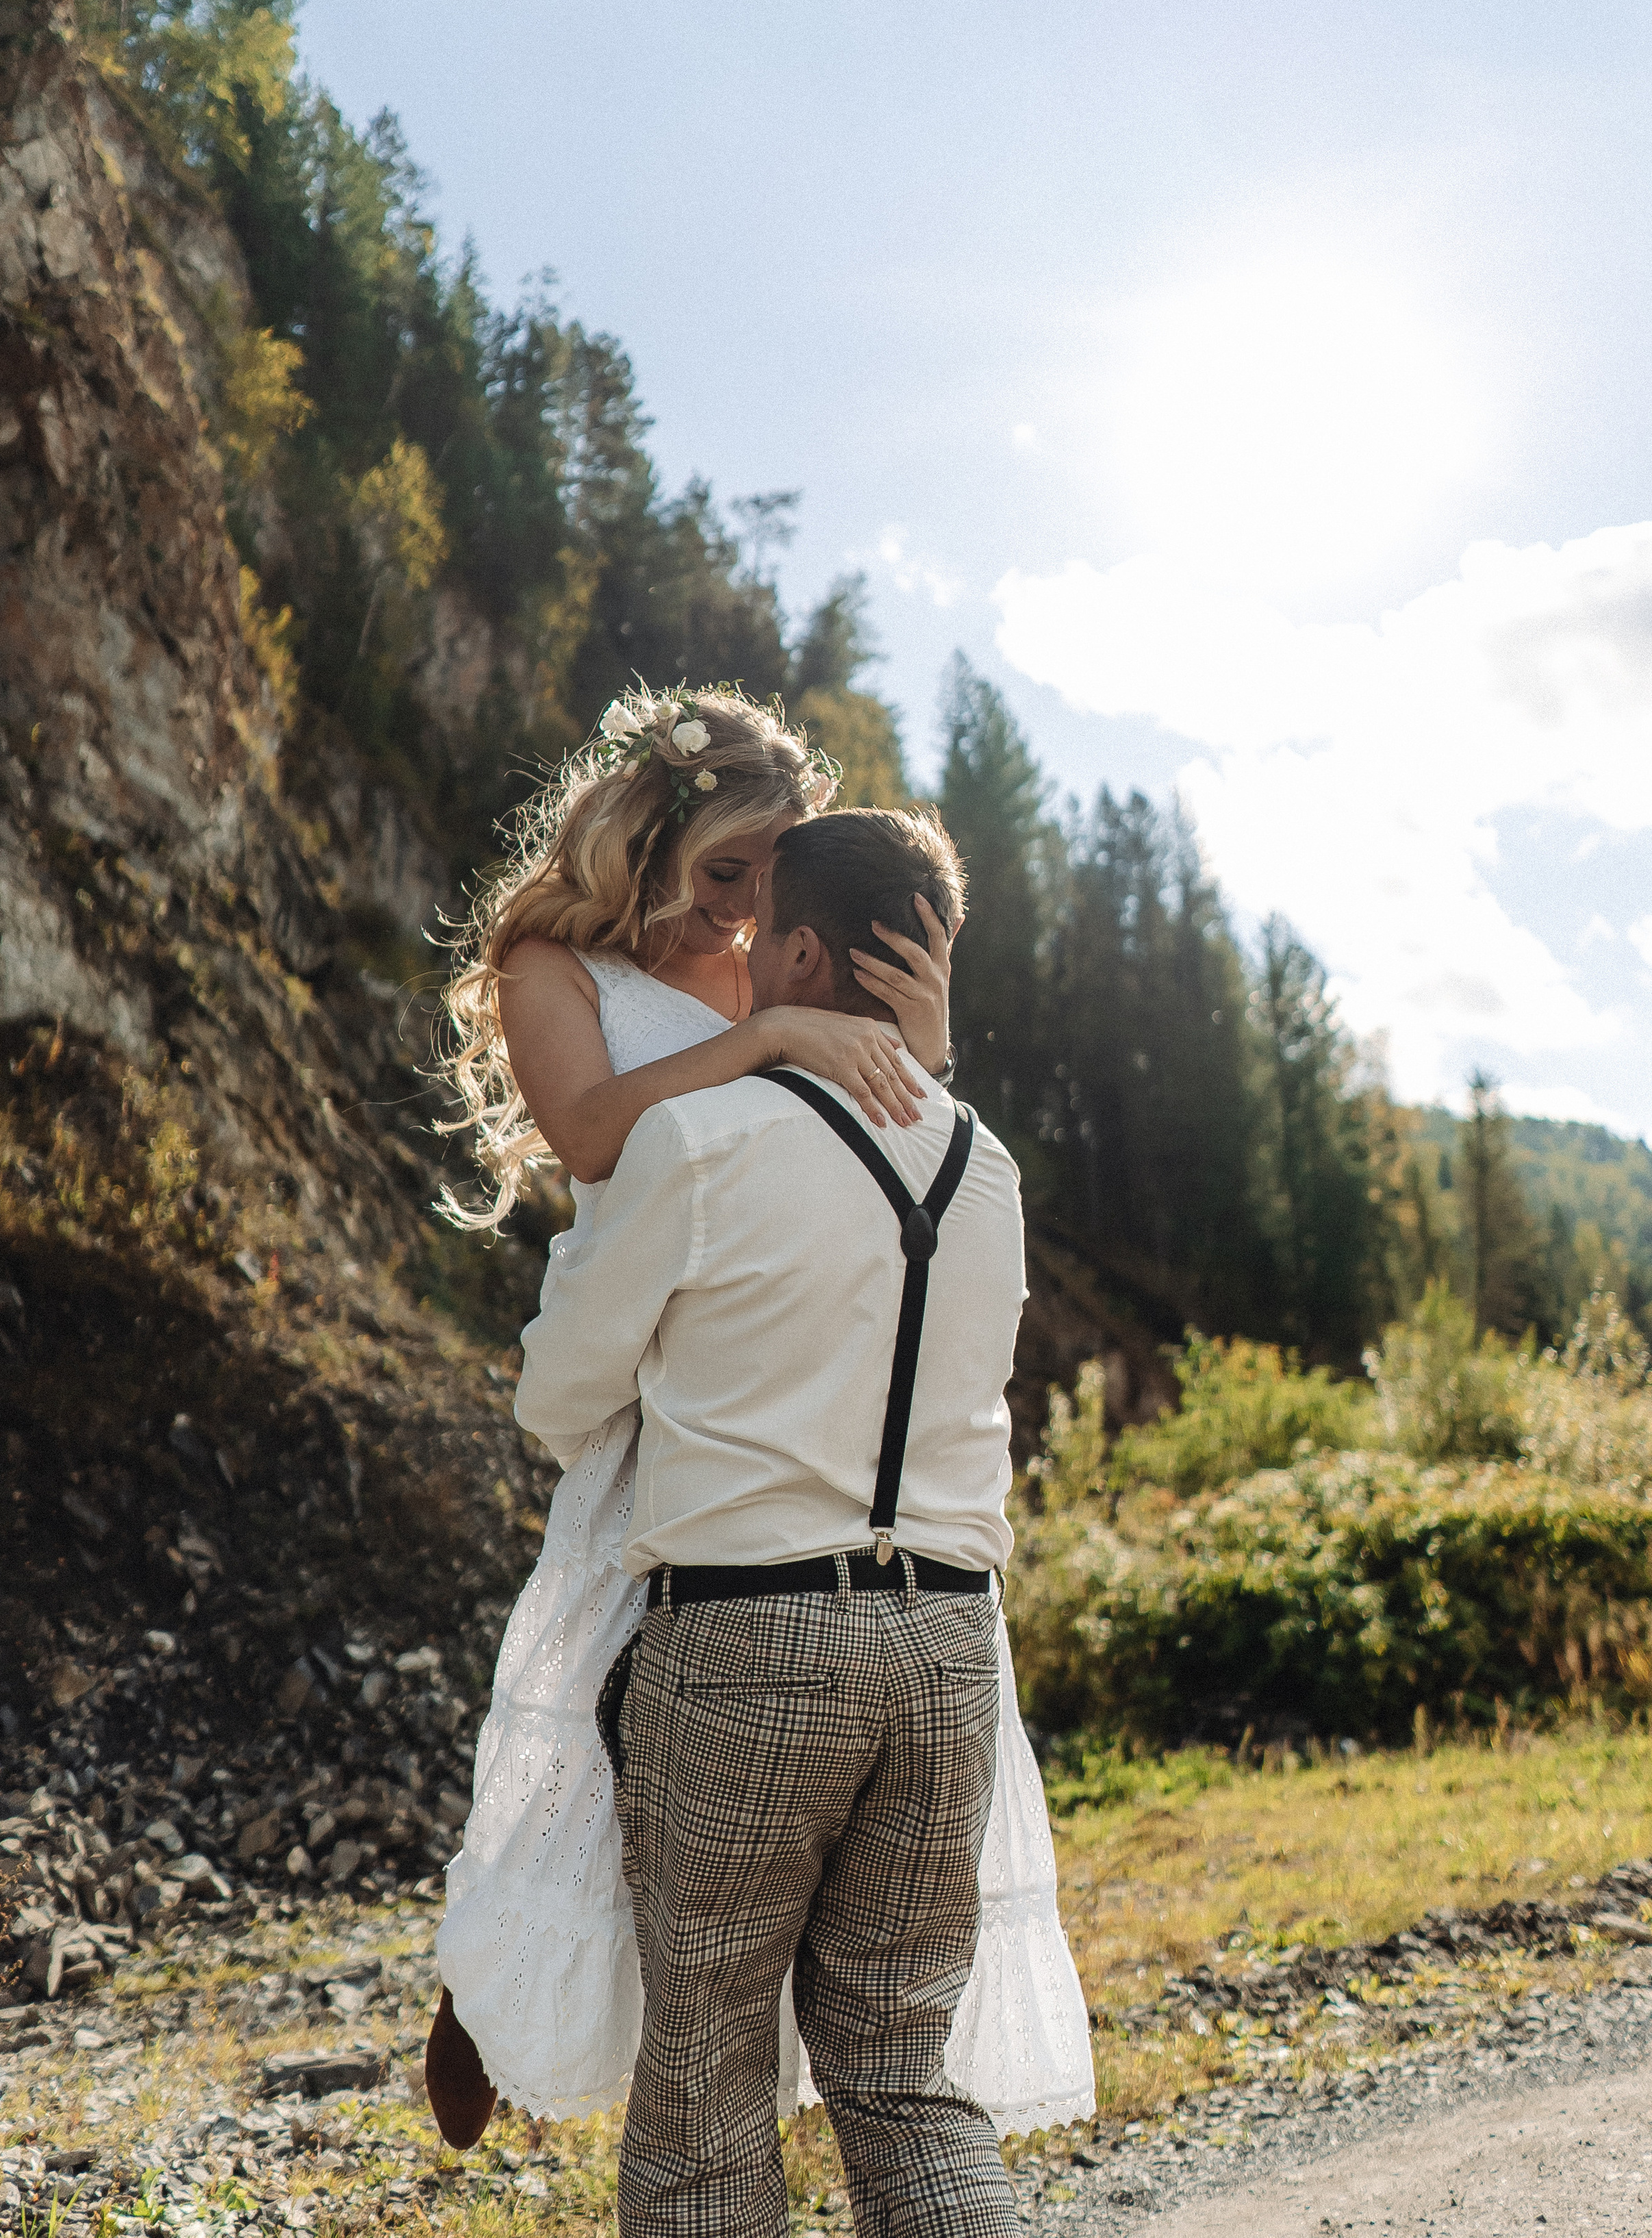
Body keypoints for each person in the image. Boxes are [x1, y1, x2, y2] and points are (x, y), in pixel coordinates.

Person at [429, 690, 1092, 2156]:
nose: (742, 909)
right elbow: (599, 1134)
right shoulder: (557, 960)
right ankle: (491, 1982)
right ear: (653, 833)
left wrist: (910, 1060)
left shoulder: (764, 974)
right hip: (647, 1347)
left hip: (754, 1366)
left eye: (764, 880)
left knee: (673, 1748)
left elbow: (845, 1172)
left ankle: (530, 1994)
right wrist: (775, 1030)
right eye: (724, 872)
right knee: (591, 1706)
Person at [516, 804, 1039, 2237]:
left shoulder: (699, 1139)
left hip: (746, 1644)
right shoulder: (984, 1167)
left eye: (756, 942)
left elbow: (559, 1395)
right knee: (900, 2076)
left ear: (796, 947)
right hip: (946, 1652)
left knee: (701, 2094)